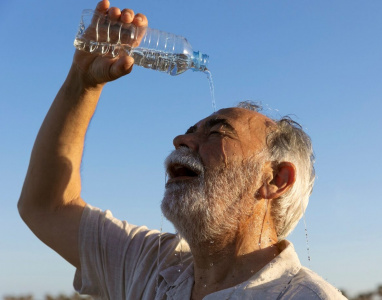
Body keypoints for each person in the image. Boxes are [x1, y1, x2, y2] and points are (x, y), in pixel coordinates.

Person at [18, 1, 346, 299]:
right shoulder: (150, 265)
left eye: (218, 132)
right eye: (189, 132)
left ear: (275, 180)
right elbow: (47, 206)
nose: (180, 140)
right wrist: (82, 81)